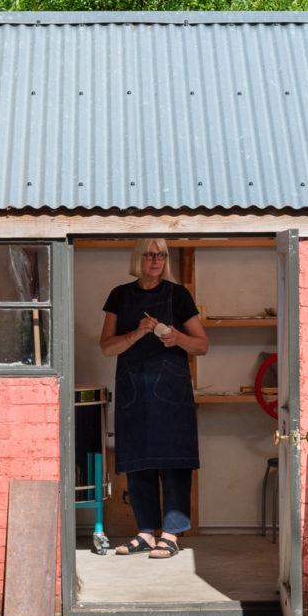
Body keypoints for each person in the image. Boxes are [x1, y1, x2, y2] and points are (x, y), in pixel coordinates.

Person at [99, 238, 210, 559]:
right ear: (138, 258)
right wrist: (137, 332)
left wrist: (178, 338)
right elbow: (107, 347)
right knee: (138, 462)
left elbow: (202, 345)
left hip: (172, 394)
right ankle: (146, 532)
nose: (155, 260)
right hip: (133, 392)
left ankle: (172, 533)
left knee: (175, 463)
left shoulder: (178, 295)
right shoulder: (120, 295)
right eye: (149, 254)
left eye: (161, 255)